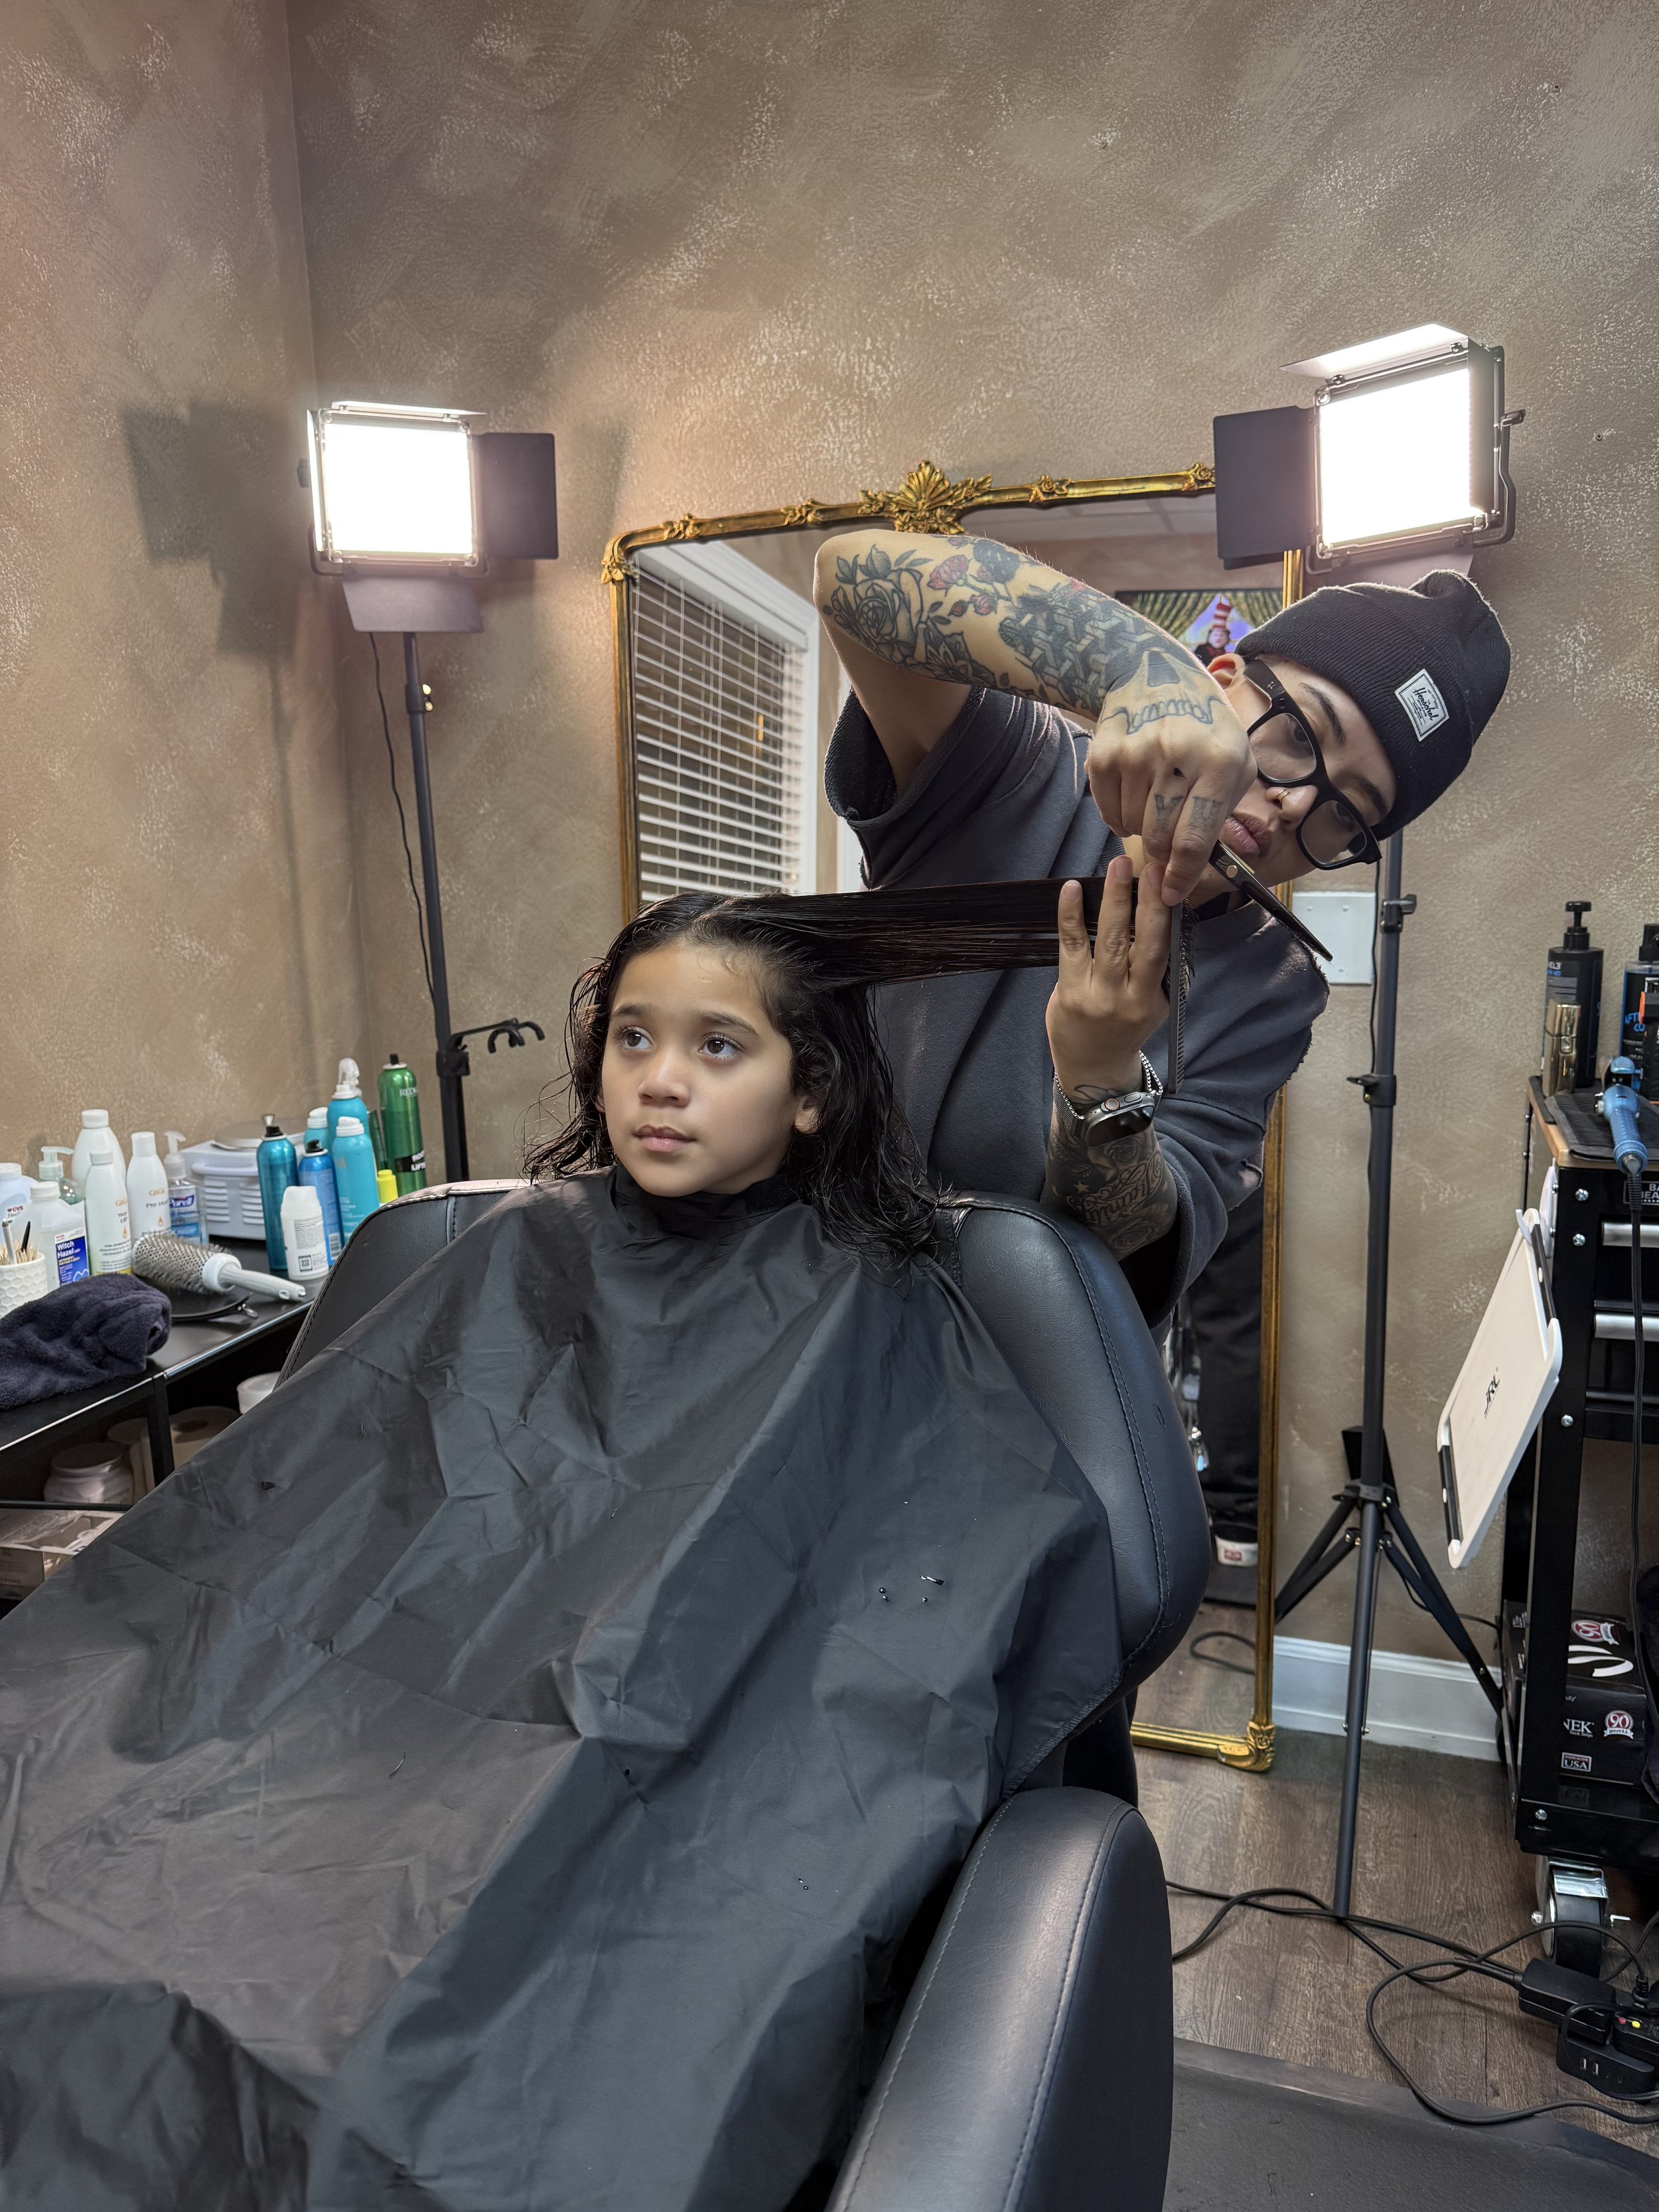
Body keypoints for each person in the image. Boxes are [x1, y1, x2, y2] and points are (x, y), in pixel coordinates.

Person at [0, 885, 1133, 2212]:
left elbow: (896, 1641)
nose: (659, 1080)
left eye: (718, 1046)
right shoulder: (505, 1252)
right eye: (631, 1037)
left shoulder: (877, 1308)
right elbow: (277, 1553)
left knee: (428, 2092)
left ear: (810, 1088)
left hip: (675, 1803)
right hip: (343, 1762)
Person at [813, 532, 1512, 1351]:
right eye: (1294, 734)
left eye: (1346, 813)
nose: (1294, 806)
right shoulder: (1013, 768)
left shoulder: (1271, 985)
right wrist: (1136, 671)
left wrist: (1100, 1082)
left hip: (1028, 1393)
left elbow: (1136, 1260)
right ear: (1221, 689)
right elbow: (850, 579)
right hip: (825, 1329)